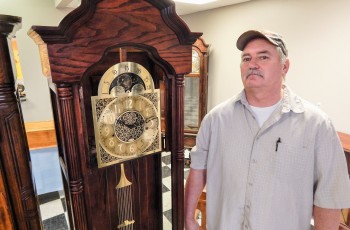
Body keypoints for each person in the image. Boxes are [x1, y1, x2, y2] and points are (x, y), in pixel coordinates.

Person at [184, 29, 350, 230]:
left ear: (284, 67)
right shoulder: (216, 119)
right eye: (246, 58)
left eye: (263, 57)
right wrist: (189, 218)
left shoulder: (317, 125)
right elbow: (198, 168)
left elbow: (329, 197)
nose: (252, 64)